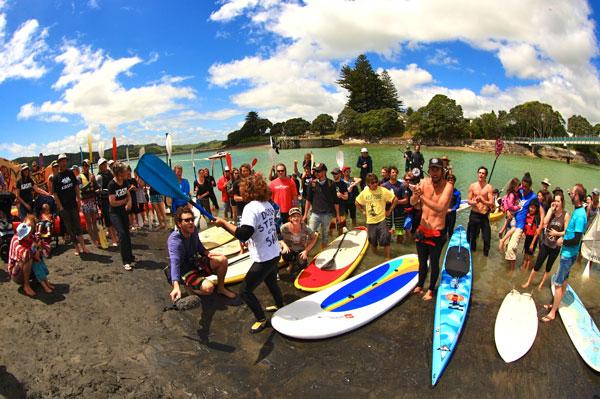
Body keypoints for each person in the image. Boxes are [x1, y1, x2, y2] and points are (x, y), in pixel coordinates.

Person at [214, 174, 284, 334]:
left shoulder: (250, 207)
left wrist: (224, 224)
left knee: (245, 291)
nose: (240, 192)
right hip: (274, 252)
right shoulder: (266, 204)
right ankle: (281, 306)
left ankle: (261, 319)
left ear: (249, 190)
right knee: (272, 283)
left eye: (242, 189)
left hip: (264, 258)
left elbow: (244, 235)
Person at [167, 207, 235, 302]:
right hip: (183, 269)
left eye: (192, 219)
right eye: (187, 220)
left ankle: (221, 288)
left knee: (222, 259)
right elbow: (175, 263)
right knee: (209, 288)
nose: (191, 222)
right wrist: (176, 286)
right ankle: (190, 287)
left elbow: (198, 244)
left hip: (195, 262)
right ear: (179, 224)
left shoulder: (193, 229)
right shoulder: (175, 241)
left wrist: (207, 253)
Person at [542, 184, 588, 323]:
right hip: (569, 253)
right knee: (564, 280)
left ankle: (553, 312)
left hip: (568, 254)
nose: (570, 195)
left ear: (577, 196)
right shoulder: (578, 209)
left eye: (572, 193)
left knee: (557, 283)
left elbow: (577, 238)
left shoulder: (580, 215)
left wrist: (562, 241)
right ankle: (554, 304)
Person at [410, 158, 454, 301]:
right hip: (422, 229)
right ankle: (420, 285)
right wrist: (415, 195)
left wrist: (421, 196)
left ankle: (430, 289)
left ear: (442, 171)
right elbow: (412, 203)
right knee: (422, 262)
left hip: (437, 231)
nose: (434, 173)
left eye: (437, 169)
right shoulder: (423, 183)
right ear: (428, 170)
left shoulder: (448, 186)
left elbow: (440, 207)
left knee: (434, 262)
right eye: (432, 169)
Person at [522, 191, 568, 289]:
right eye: (555, 201)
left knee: (548, 267)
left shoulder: (565, 215)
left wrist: (557, 234)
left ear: (562, 202)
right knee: (537, 264)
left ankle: (541, 284)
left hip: (555, 247)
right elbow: (544, 223)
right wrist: (551, 210)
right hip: (546, 244)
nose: (556, 203)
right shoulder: (551, 212)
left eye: (558, 201)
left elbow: (566, 231)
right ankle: (528, 282)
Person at [504, 172, 545, 271]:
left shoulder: (533, 197)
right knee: (506, 247)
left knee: (511, 247)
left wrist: (540, 227)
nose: (524, 188)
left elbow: (541, 211)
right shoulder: (519, 191)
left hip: (520, 225)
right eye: (522, 185)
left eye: (526, 186)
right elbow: (507, 199)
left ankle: (512, 271)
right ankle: (507, 268)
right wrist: (507, 210)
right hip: (511, 222)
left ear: (530, 186)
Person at [52, 153, 89, 255]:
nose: (64, 163)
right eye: (62, 161)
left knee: (78, 226)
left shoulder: (70, 173)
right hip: (64, 207)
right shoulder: (55, 178)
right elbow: (55, 194)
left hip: (73, 204)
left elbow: (76, 186)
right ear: (59, 163)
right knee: (70, 228)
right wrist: (60, 207)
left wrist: (78, 199)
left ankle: (83, 247)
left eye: (65, 161)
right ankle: (77, 248)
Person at [356, 173, 396, 259]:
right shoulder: (364, 193)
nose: (375, 184)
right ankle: (375, 258)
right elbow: (357, 202)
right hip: (370, 222)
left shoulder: (383, 190)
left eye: (376, 182)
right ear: (368, 184)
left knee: (386, 240)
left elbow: (395, 199)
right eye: (372, 182)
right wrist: (363, 211)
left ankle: (388, 259)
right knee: (372, 241)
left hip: (382, 220)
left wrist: (389, 210)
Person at [303, 163, 341, 249]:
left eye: (319, 171)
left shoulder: (331, 184)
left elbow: (336, 201)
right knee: (309, 235)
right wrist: (305, 215)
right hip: (314, 214)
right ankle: (306, 253)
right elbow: (308, 200)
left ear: (324, 172)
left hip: (327, 214)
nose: (316, 173)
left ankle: (323, 251)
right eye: (315, 171)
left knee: (325, 236)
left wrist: (338, 215)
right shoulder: (312, 184)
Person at [108, 162, 135, 270]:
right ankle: (125, 261)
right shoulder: (112, 185)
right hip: (114, 213)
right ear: (119, 173)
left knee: (127, 234)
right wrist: (124, 201)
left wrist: (129, 202)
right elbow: (112, 202)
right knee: (122, 234)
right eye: (124, 171)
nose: (126, 173)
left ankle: (130, 256)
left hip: (123, 212)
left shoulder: (125, 181)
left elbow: (128, 192)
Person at [279, 207, 318, 275]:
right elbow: (278, 238)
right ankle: (290, 263)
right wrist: (284, 246)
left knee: (303, 264)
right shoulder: (284, 227)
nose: (296, 218)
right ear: (290, 218)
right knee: (286, 254)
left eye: (298, 216)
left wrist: (306, 251)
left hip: (300, 249)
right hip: (289, 248)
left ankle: (297, 262)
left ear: (301, 218)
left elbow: (314, 238)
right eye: (293, 216)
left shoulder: (305, 227)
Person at [466, 166, 494, 256]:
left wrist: (483, 201)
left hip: (484, 215)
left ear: (486, 176)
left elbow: (491, 203)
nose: (481, 175)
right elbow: (468, 201)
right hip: (474, 214)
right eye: (480, 173)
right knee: (472, 237)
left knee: (486, 238)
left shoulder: (489, 187)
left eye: (483, 173)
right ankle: (473, 255)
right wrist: (474, 202)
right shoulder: (473, 186)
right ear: (477, 174)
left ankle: (486, 255)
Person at [96, 158, 119, 245]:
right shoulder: (99, 176)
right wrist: (102, 191)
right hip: (105, 200)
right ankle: (113, 239)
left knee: (115, 218)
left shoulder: (110, 173)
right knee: (108, 220)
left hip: (113, 198)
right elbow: (98, 189)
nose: (104, 165)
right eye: (102, 164)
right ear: (99, 166)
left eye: (105, 163)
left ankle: (116, 236)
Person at [382, 166, 408, 242]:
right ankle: (388, 246)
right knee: (387, 232)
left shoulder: (402, 186)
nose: (395, 174)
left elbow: (406, 200)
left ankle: (399, 246)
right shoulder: (384, 186)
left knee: (399, 232)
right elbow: (381, 200)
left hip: (399, 213)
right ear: (389, 174)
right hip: (388, 213)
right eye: (393, 172)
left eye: (396, 172)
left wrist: (396, 201)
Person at [78, 159, 100, 247]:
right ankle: (93, 240)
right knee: (88, 222)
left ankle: (97, 238)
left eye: (87, 166)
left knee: (94, 221)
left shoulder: (92, 175)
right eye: (84, 166)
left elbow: (96, 187)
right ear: (82, 167)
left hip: (92, 200)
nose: (86, 167)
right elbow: (81, 189)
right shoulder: (79, 177)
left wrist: (98, 189)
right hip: (85, 201)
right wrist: (90, 181)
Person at [520, 201, 542, 270]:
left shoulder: (536, 217)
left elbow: (537, 232)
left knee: (530, 255)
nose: (531, 209)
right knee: (526, 252)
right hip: (528, 237)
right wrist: (523, 232)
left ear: (536, 209)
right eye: (530, 207)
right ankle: (524, 266)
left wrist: (532, 244)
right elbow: (525, 225)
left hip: (533, 238)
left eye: (533, 208)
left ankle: (526, 268)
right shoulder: (527, 215)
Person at [498, 177, 521, 242]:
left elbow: (505, 200)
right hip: (511, 211)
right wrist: (518, 207)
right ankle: (503, 237)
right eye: (517, 186)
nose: (519, 187)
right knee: (513, 227)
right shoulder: (512, 195)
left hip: (508, 211)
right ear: (514, 186)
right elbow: (511, 206)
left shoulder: (509, 193)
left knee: (507, 221)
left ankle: (501, 231)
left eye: (519, 186)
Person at [330, 167, 348, 236]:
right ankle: (330, 240)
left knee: (341, 226)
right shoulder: (330, 183)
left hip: (341, 207)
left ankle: (340, 238)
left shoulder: (343, 184)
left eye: (335, 174)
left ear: (340, 174)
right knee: (331, 227)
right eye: (333, 174)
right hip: (332, 208)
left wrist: (341, 195)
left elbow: (346, 197)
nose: (334, 175)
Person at [445, 174, 461, 239]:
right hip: (444, 214)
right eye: (449, 180)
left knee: (450, 230)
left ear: (454, 182)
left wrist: (451, 209)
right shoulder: (443, 191)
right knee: (442, 230)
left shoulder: (457, 192)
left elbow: (457, 204)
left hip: (452, 214)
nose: (450, 181)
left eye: (452, 180)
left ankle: (449, 242)